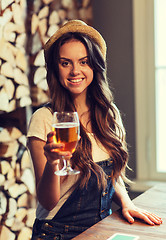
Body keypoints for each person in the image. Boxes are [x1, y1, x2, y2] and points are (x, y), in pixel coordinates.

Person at [27, 20, 162, 240]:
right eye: (65, 63)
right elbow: (48, 201)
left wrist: (127, 204)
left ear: (95, 65)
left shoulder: (109, 114)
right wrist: (53, 163)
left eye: (84, 61)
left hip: (101, 228)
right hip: (56, 233)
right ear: (55, 68)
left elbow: (111, 176)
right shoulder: (44, 119)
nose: (75, 71)